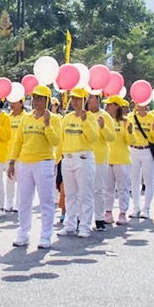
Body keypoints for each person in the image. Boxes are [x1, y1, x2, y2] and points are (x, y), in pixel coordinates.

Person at [8, 85, 61, 249]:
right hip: (25, 163)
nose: (35, 101)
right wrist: (12, 161)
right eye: (34, 98)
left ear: (47, 100)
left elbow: (55, 142)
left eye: (39, 98)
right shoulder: (26, 118)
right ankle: (23, 233)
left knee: (46, 201)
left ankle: (45, 235)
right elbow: (18, 141)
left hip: (44, 162)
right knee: (24, 201)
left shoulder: (54, 119)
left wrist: (47, 125)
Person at [57, 88, 99, 238]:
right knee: (70, 194)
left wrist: (85, 121)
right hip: (67, 158)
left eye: (78, 99)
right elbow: (62, 140)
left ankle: (85, 226)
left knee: (85, 194)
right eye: (72, 98)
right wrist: (57, 161)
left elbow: (94, 138)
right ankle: (70, 224)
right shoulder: (67, 118)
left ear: (85, 101)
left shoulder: (90, 117)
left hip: (83, 158)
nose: (74, 102)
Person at [128, 100, 154, 219]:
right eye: (137, 102)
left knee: (148, 180)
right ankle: (136, 207)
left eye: (143, 102)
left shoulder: (153, 118)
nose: (140, 105)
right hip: (133, 150)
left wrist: (153, 129)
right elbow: (127, 135)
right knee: (134, 180)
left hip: (147, 150)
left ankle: (146, 208)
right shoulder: (130, 117)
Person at [87, 94, 115, 231]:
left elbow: (111, 137)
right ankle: (83, 220)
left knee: (98, 189)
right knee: (84, 191)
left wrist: (103, 127)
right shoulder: (83, 115)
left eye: (92, 97)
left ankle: (99, 219)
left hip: (99, 157)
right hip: (84, 157)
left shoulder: (104, 116)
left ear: (98, 99)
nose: (89, 100)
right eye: (88, 98)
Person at [104, 96, 131, 225]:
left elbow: (131, 140)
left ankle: (122, 212)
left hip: (122, 158)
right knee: (108, 188)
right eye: (107, 104)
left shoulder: (126, 121)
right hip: (107, 158)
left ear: (117, 106)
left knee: (122, 188)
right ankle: (108, 211)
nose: (108, 106)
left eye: (110, 104)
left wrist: (130, 133)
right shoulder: (104, 120)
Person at [5, 96, 26, 212]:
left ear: (21, 103)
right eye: (11, 101)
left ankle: (19, 203)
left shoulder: (26, 117)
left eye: (15, 101)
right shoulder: (8, 118)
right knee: (9, 179)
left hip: (21, 154)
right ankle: (9, 202)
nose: (12, 104)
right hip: (8, 153)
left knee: (21, 181)